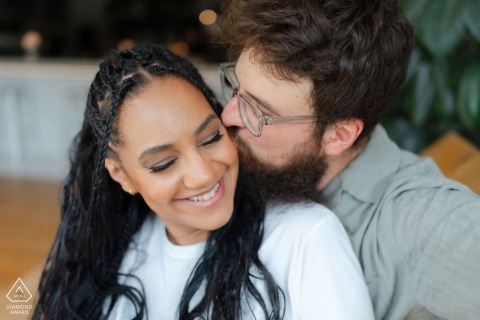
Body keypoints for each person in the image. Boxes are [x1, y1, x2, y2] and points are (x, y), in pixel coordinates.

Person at [32, 44, 374, 319]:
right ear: (121, 176)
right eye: (164, 163)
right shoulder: (116, 255)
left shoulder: (307, 236)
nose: (204, 174)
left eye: (211, 138)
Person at [218, 0, 480, 319]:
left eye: (257, 112)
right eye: (236, 88)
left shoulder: (428, 223)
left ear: (338, 136)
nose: (228, 115)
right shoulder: (254, 163)